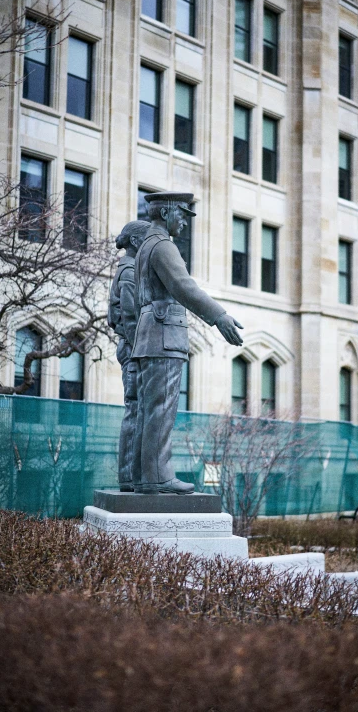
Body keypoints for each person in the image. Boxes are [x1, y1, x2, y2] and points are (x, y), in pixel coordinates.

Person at [131, 192, 243, 494]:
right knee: (161, 409)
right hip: (164, 336)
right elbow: (183, 286)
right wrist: (219, 316)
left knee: (149, 409)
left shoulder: (145, 245)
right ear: (166, 213)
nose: (185, 221)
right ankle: (158, 476)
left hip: (150, 335)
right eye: (182, 213)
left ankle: (143, 474)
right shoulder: (163, 246)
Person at [108, 220, 151, 491]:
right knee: (135, 411)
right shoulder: (129, 271)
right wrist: (141, 351)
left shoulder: (132, 269)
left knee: (139, 411)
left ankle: (135, 475)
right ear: (136, 242)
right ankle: (128, 477)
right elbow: (130, 317)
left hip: (133, 348)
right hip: (134, 350)